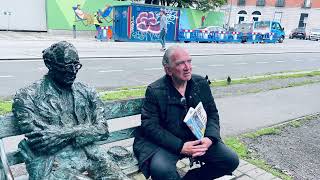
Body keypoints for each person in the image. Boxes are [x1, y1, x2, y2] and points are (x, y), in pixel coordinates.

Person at [12, 41, 130, 180]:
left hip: (91, 154)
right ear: (49, 64)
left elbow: (102, 130)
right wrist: (86, 130)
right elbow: (43, 143)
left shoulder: (87, 91)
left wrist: (62, 133)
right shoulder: (27, 97)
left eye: (76, 65)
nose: (73, 71)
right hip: (53, 163)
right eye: (67, 66)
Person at [133, 46, 239, 180]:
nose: (187, 67)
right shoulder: (155, 91)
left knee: (230, 160)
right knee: (161, 171)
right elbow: (150, 126)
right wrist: (180, 146)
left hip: (196, 139)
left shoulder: (200, 84)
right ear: (168, 70)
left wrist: (210, 138)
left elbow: (212, 113)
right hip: (168, 143)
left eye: (189, 61)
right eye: (180, 63)